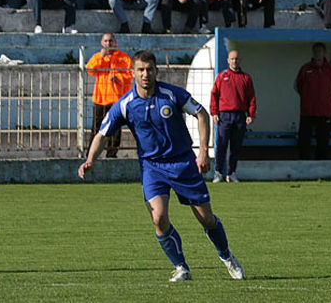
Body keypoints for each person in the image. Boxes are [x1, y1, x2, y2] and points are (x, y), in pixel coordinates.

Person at [78, 50, 246, 283]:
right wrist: (90, 159)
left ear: (156, 71)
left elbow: (202, 114)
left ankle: (227, 257)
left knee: (206, 218)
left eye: (149, 69)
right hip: (152, 167)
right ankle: (181, 267)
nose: (145, 74)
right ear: (133, 73)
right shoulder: (126, 104)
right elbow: (102, 133)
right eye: (140, 70)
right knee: (158, 218)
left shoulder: (171, 94)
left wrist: (203, 152)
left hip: (183, 163)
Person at [210, 49, 256, 183]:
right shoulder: (221, 76)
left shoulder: (246, 78)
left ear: (240, 60)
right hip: (224, 115)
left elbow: (251, 97)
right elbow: (214, 95)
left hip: (240, 116)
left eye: (236, 59)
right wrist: (214, 113)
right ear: (228, 60)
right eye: (232, 59)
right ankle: (218, 172)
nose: (234, 61)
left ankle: (232, 173)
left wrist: (251, 114)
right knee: (222, 144)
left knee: (236, 146)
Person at [86, 33, 132, 158]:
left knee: (115, 130)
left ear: (115, 42)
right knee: (96, 128)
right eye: (106, 41)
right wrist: (101, 57)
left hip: (116, 99)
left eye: (110, 41)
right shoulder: (98, 56)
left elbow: (129, 76)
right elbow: (90, 69)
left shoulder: (123, 57)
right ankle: (90, 155)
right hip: (101, 99)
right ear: (102, 43)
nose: (108, 44)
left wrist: (117, 77)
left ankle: (112, 154)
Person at [295, 42, 331, 159]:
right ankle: (303, 163)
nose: (318, 54)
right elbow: (299, 86)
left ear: (324, 53)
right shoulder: (305, 69)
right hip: (307, 111)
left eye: (320, 51)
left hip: (324, 111)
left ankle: (322, 165)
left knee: (323, 139)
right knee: (304, 138)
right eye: (315, 51)